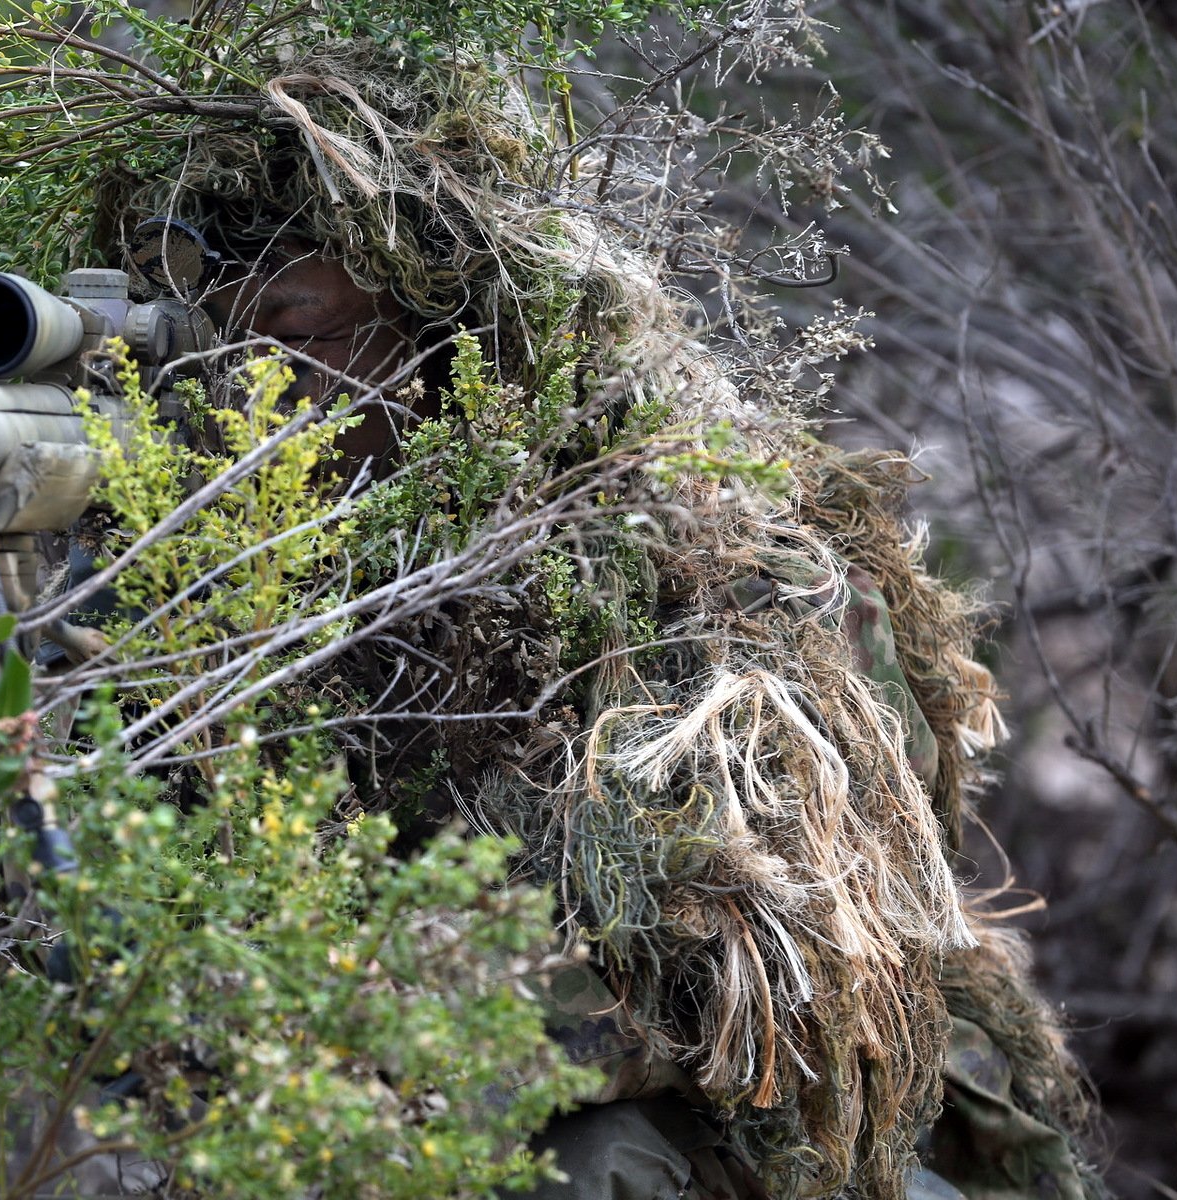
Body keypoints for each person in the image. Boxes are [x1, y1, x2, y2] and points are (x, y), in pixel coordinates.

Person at [87, 42, 1107, 1200]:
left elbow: (760, 974)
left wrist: (411, 1059)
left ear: (440, 329)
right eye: (216, 343)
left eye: (297, 334)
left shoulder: (705, 561)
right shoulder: (221, 580)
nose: (251, 386)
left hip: (748, 1131)